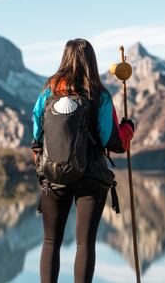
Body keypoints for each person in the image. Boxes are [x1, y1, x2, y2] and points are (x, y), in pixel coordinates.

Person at [31, 38, 134, 283]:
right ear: (92, 61)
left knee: (50, 241)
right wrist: (128, 128)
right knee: (85, 243)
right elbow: (113, 142)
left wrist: (43, 166)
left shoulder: (49, 92)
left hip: (53, 176)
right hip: (91, 177)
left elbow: (36, 135)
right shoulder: (100, 95)